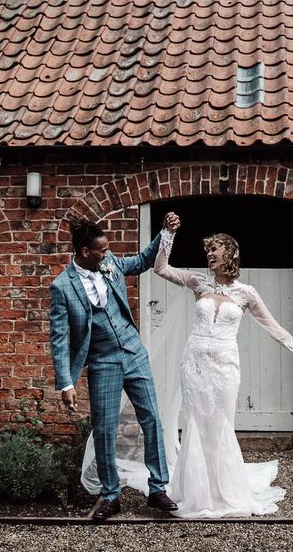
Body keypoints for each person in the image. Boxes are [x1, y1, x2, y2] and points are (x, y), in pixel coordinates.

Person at [154, 214, 293, 518]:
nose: (209, 255)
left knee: (220, 426)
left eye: (214, 250)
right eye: (207, 251)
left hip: (225, 366)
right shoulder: (197, 282)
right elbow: (161, 268)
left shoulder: (246, 294)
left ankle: (225, 491)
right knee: (196, 425)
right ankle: (195, 492)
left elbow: (274, 327)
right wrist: (167, 235)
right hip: (195, 363)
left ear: (230, 253)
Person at [48, 215, 180, 520]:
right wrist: (66, 383)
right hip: (102, 361)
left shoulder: (111, 265)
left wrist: (165, 232)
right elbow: (59, 339)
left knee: (152, 420)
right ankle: (110, 495)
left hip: (134, 353)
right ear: (84, 253)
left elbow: (145, 260)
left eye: (108, 251)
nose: (108, 255)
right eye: (102, 251)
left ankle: (158, 488)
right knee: (104, 429)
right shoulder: (62, 287)